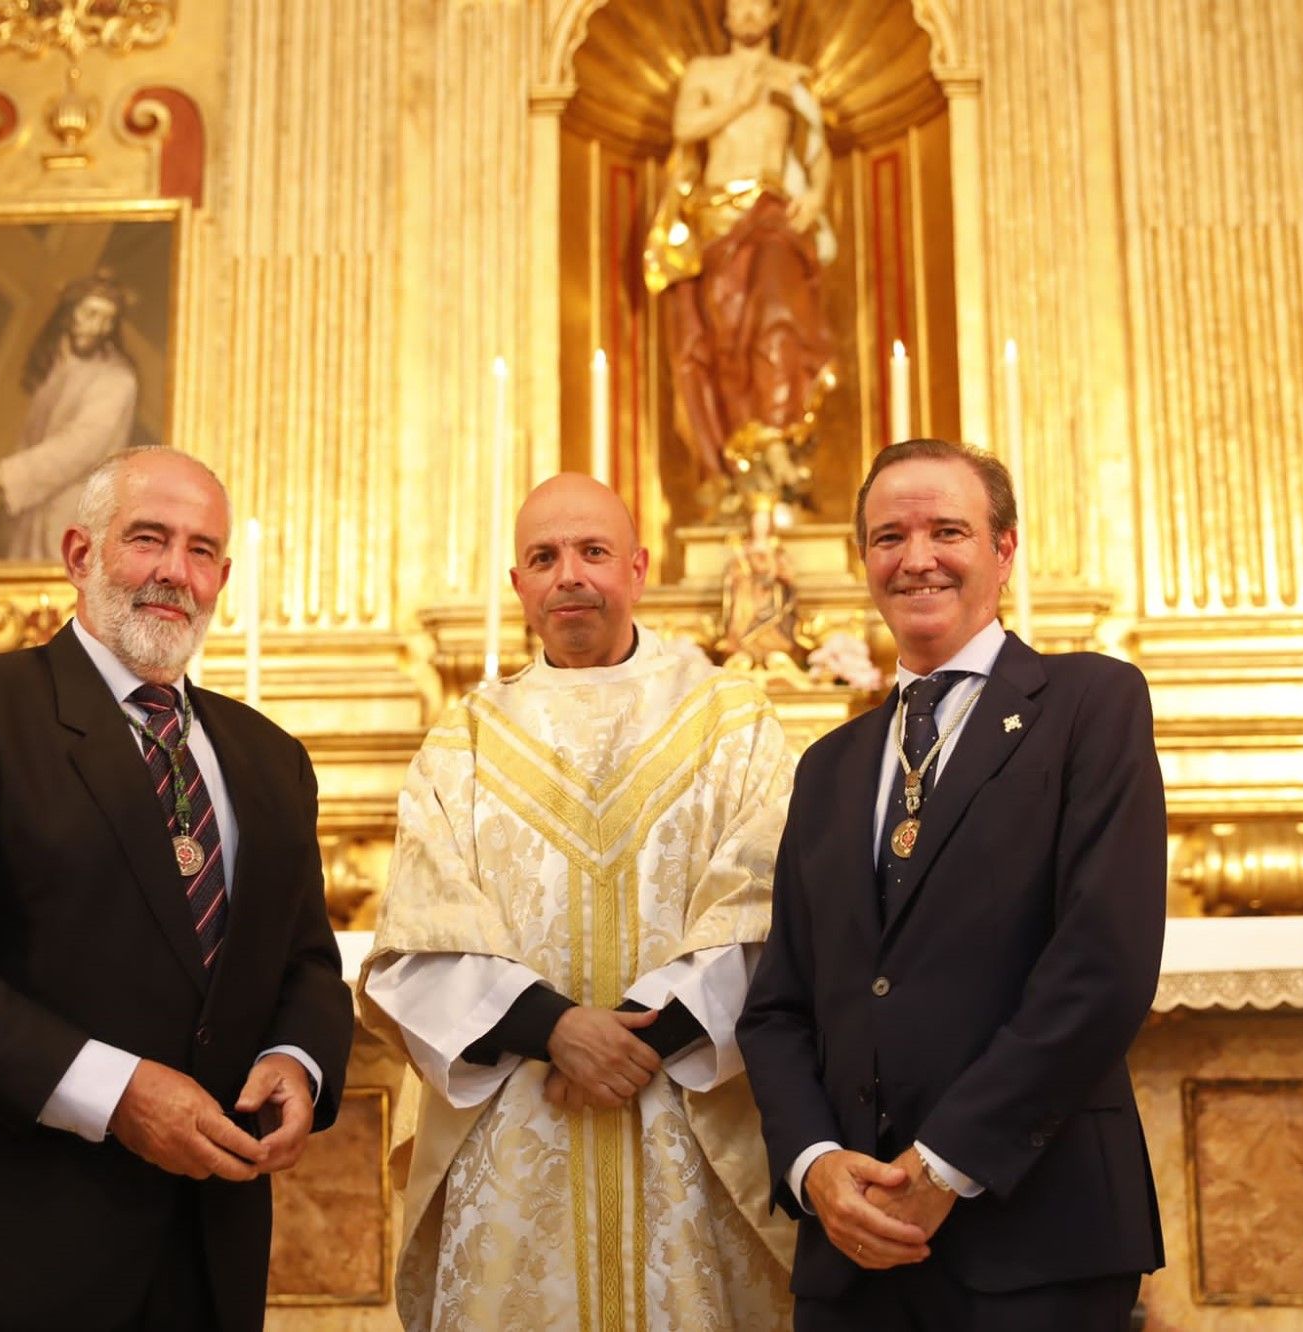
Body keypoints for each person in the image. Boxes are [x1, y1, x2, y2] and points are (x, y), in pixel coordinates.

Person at [0, 446, 353, 1331]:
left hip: (205, 1266)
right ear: (79, 554)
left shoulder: (272, 759)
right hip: (4, 1266)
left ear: (223, 576)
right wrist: (115, 1093)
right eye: (147, 539)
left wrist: (295, 1063)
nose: (173, 573)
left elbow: (305, 963)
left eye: (199, 551)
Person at [737, 438, 1166, 1330]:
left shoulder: (1092, 705)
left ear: (1003, 552)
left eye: (948, 531)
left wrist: (944, 1165)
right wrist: (815, 1164)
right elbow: (780, 1006)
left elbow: (1103, 965)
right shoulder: (828, 766)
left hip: (1035, 1235)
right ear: (865, 563)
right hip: (851, 1252)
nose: (917, 557)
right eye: (890, 536)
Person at [360, 473, 797, 1329]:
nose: (570, 575)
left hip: (686, 1122)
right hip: (520, 1121)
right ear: (517, 584)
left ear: (636, 568)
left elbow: (771, 908)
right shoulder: (465, 741)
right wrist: (555, 1030)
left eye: (593, 552)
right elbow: (420, 933)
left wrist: (642, 1039)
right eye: (544, 557)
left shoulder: (733, 721)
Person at [647, 0, 836, 513]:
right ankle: (738, 462)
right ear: (726, 17)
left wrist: (817, 196)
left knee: (780, 320)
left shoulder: (792, 76)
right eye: (739, 6)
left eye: (759, 6)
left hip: (773, 213)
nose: (749, 16)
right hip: (717, 216)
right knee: (726, 341)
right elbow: (686, 129)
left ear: (775, 15)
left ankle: (777, 439)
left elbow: (817, 149)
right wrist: (743, 98)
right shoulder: (704, 73)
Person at [0, 274, 141, 559]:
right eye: (90, 314)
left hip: (70, 523)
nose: (97, 327)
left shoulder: (116, 380)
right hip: (22, 519)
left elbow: (73, 451)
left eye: (107, 319)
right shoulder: (51, 360)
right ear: (68, 313)